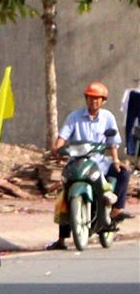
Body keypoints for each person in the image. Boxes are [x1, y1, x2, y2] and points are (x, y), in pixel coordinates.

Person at [52, 81, 125, 239]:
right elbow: (63, 136)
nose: (93, 101)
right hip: (77, 163)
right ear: (86, 99)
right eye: (90, 97)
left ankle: (116, 210)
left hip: (100, 163)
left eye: (97, 98)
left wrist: (116, 160)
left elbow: (113, 142)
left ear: (103, 101)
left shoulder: (108, 117)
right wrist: (57, 148)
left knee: (123, 173)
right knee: (65, 193)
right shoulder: (74, 117)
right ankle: (62, 238)